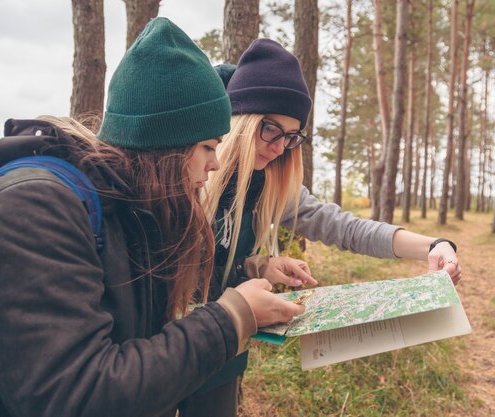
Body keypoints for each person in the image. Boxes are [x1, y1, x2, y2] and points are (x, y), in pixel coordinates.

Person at [0, 19, 303, 417]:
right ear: (164, 144)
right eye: (207, 146)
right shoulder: (34, 208)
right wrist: (232, 317)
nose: (216, 164)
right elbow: (77, 396)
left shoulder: (136, 210)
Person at [184, 38, 463, 416]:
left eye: (291, 136)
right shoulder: (191, 168)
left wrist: (432, 245)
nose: (280, 147)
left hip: (224, 355)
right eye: (271, 129)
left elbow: (342, 226)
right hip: (165, 349)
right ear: (241, 119)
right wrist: (254, 266)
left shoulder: (268, 182)